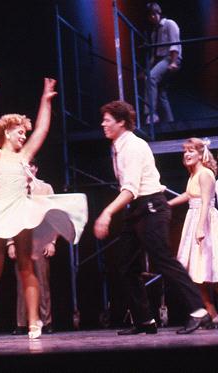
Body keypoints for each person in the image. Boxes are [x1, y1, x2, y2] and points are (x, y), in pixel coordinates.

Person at [0, 67, 88, 340]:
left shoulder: (25, 156)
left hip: (21, 211)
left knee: (26, 266)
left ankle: (35, 321)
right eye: (19, 131)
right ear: (8, 132)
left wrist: (46, 100)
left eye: (24, 132)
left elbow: (43, 129)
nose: (24, 135)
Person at [93, 100, 210, 335]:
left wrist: (106, 213)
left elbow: (131, 189)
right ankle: (144, 319)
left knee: (163, 259)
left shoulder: (134, 146)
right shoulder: (118, 146)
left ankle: (198, 310)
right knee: (126, 265)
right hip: (138, 208)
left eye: (107, 120)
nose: (103, 124)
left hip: (150, 205)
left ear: (121, 122)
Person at [168, 138, 218, 325]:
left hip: (205, 222)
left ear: (200, 154)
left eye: (191, 151)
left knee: (211, 270)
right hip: (193, 218)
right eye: (185, 151)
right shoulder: (193, 175)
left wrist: (199, 227)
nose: (186, 154)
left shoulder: (205, 174)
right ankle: (212, 314)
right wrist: (167, 204)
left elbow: (206, 202)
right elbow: (189, 195)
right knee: (197, 272)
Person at [8, 159, 56, 335]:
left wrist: (52, 242)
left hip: (40, 240)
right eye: (24, 167)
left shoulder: (45, 189)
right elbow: (10, 217)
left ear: (36, 169)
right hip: (21, 240)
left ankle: (46, 321)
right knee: (22, 283)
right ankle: (22, 323)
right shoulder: (13, 191)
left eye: (31, 167)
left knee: (42, 283)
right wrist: (10, 243)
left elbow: (54, 216)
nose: (28, 170)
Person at [144, 2, 181, 124]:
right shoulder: (155, 32)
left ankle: (151, 114)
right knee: (161, 92)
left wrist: (174, 62)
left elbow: (175, 44)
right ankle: (170, 122)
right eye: (150, 16)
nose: (152, 17)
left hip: (170, 58)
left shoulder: (169, 24)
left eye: (154, 14)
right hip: (161, 60)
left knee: (151, 78)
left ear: (159, 13)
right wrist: (146, 70)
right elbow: (154, 56)